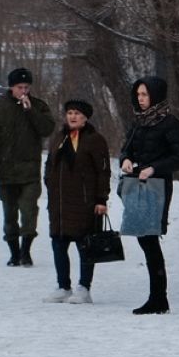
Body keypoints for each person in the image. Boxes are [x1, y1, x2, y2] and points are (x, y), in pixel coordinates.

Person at [118, 75, 179, 315]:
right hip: (137, 184)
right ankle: (158, 298)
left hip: (157, 186)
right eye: (138, 94)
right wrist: (126, 160)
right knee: (144, 238)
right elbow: (126, 148)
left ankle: (159, 298)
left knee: (149, 239)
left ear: (156, 96)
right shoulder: (139, 121)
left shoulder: (169, 123)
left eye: (145, 94)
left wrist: (154, 168)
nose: (140, 99)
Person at [0, 67, 55, 266]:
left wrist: (30, 111)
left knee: (29, 211)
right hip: (6, 171)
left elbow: (47, 129)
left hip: (30, 171)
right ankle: (14, 252)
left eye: (26, 87)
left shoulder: (38, 106)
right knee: (10, 214)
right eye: (19, 87)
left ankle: (26, 251)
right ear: (11, 87)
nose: (23, 91)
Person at [43, 99, 109, 304]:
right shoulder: (58, 137)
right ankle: (63, 286)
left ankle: (84, 287)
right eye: (69, 112)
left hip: (85, 202)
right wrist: (50, 185)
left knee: (85, 244)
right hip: (59, 203)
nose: (72, 117)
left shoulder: (95, 139)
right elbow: (49, 164)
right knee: (58, 243)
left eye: (77, 114)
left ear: (85, 117)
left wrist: (101, 199)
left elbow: (103, 172)